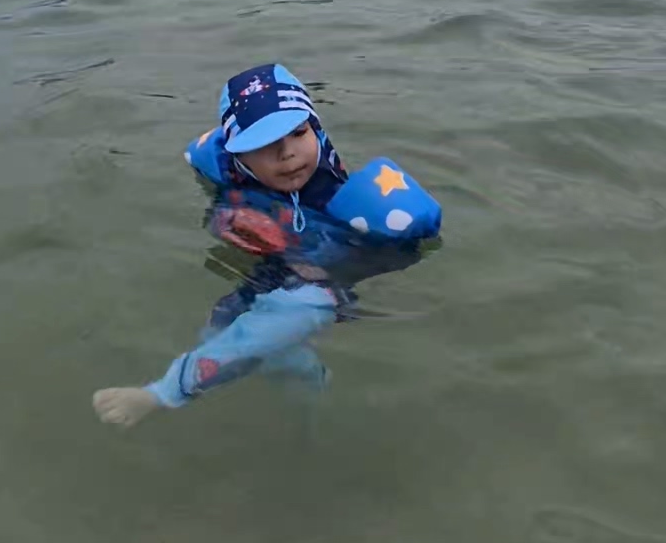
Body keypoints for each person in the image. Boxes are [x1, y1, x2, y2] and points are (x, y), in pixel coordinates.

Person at [92, 63, 439, 429]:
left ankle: (162, 393)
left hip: (320, 286)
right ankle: (306, 380)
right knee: (218, 332)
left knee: (281, 319)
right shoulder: (232, 178)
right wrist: (229, 222)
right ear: (238, 155)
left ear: (315, 129)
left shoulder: (338, 192)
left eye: (298, 133)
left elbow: (372, 254)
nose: (288, 153)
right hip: (270, 272)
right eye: (265, 145)